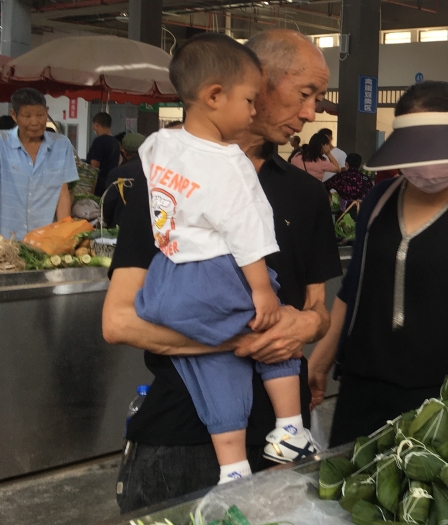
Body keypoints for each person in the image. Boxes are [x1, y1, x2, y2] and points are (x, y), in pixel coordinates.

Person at [102, 29, 341, 513]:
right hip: (182, 436)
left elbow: (318, 310)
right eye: (305, 94)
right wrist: (241, 338)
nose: (312, 113)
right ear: (257, 83)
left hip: (280, 440)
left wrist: (308, 324)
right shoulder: (161, 179)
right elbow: (119, 320)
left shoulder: (306, 194)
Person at [307, 81, 448, 446]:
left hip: (444, 400)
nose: (428, 167)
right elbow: (355, 287)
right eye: (417, 153)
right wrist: (321, 358)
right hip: (363, 390)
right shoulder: (379, 200)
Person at [0, 88, 78, 240]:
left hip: (45, 240)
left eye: (40, 115)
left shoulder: (61, 145)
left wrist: (63, 235)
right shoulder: (2, 143)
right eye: (27, 116)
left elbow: (63, 193)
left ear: (47, 112)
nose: (34, 122)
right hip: (6, 240)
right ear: (14, 115)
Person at [102, 133, 146, 228]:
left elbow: (108, 203)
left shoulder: (117, 173)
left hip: (121, 229)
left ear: (125, 152)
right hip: (150, 230)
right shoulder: (157, 171)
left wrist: (108, 223)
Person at [87, 112, 121, 197]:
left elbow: (94, 167)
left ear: (97, 124)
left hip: (98, 187)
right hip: (110, 184)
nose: (93, 128)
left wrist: (91, 191)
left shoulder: (99, 141)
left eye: (93, 125)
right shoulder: (115, 142)